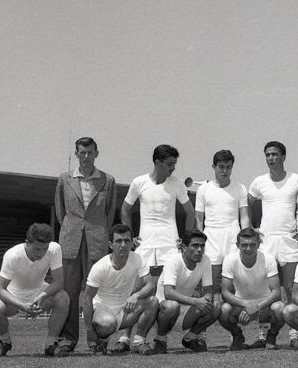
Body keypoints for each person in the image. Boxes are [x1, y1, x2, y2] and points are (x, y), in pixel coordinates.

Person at [114, 144, 194, 352]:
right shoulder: (139, 182)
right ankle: (125, 338)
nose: (173, 168)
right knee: (137, 290)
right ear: (157, 162)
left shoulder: (177, 184)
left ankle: (160, 338)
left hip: (170, 245)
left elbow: (190, 212)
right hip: (145, 245)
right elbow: (125, 209)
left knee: (166, 294)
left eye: (174, 164)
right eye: (169, 164)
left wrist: (185, 238)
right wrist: (130, 237)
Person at [55, 136, 116, 352]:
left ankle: (96, 339)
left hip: (97, 241)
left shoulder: (108, 180)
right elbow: (61, 211)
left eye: (90, 152)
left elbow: (109, 213)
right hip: (71, 241)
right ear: (76, 153)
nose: (86, 156)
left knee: (96, 296)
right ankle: (68, 340)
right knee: (69, 294)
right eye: (82, 152)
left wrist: (98, 231)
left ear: (96, 153)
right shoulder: (64, 179)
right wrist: (72, 229)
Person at [248, 141, 298, 346]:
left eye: (275, 154)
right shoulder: (258, 182)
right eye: (268, 155)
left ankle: (295, 333)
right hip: (267, 240)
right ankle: (263, 335)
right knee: (266, 290)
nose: (271, 158)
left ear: (283, 157)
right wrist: (250, 228)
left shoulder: (297, 180)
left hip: (289, 240)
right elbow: (245, 205)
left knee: (290, 287)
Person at [0, 223, 70, 357]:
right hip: (13, 296)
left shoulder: (55, 249)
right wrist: (23, 306)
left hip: (39, 293)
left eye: (45, 249)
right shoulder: (12, 255)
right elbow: (0, 289)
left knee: (63, 297)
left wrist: (41, 296)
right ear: (27, 243)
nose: (41, 253)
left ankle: (51, 344)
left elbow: (58, 282)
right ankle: (4, 341)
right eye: (37, 249)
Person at [83, 224, 158, 355]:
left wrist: (135, 296)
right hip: (102, 310)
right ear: (110, 245)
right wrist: (89, 330)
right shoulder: (100, 266)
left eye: (127, 240)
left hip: (124, 310)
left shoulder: (137, 259)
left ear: (132, 243)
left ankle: (138, 342)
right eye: (118, 241)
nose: (123, 245)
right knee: (108, 323)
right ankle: (101, 341)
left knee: (153, 301)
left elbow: (150, 285)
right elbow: (87, 299)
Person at [152, 229, 220, 354]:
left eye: (202, 246)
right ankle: (160, 340)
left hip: (185, 310)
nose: (199, 250)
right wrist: (196, 302)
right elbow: (168, 293)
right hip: (162, 312)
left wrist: (207, 299)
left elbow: (209, 290)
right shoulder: (173, 261)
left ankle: (190, 338)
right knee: (172, 305)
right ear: (183, 247)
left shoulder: (205, 260)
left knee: (215, 306)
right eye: (195, 245)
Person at [219, 228, 285, 350]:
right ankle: (237, 336)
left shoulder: (268, 258)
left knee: (280, 308)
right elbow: (225, 293)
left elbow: (276, 292)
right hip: (241, 306)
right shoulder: (229, 260)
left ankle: (271, 337)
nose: (248, 249)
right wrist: (246, 304)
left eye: (252, 244)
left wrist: (256, 307)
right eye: (244, 245)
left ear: (258, 244)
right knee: (223, 310)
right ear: (237, 245)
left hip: (265, 306)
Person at [195, 150, 251, 289]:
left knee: (234, 285)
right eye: (221, 167)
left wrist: (246, 237)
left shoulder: (240, 188)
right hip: (210, 237)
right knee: (208, 284)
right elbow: (199, 219)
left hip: (233, 236)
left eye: (228, 167)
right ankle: (206, 304)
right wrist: (199, 241)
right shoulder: (203, 189)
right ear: (214, 166)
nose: (225, 171)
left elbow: (244, 216)